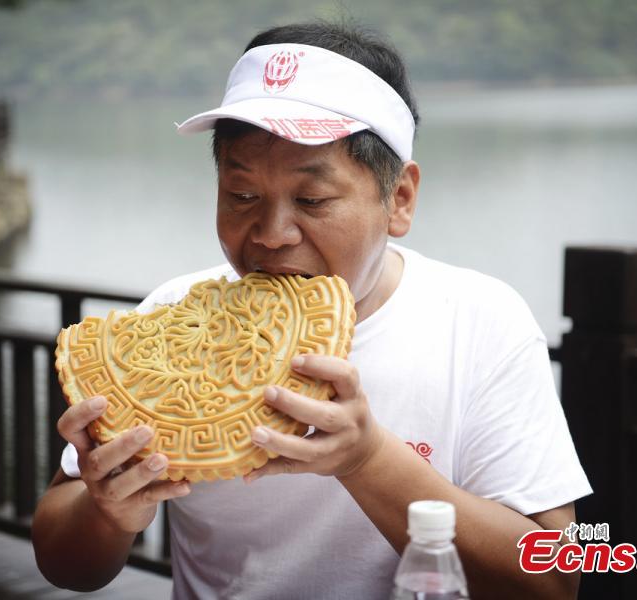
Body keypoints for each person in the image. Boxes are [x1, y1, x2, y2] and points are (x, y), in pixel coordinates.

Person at [32, 21, 592, 599]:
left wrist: (367, 458)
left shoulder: (479, 323)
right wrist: (107, 513)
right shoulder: (171, 325)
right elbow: (63, 562)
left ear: (398, 200)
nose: (272, 234)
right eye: (242, 195)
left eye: (312, 199)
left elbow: (551, 581)